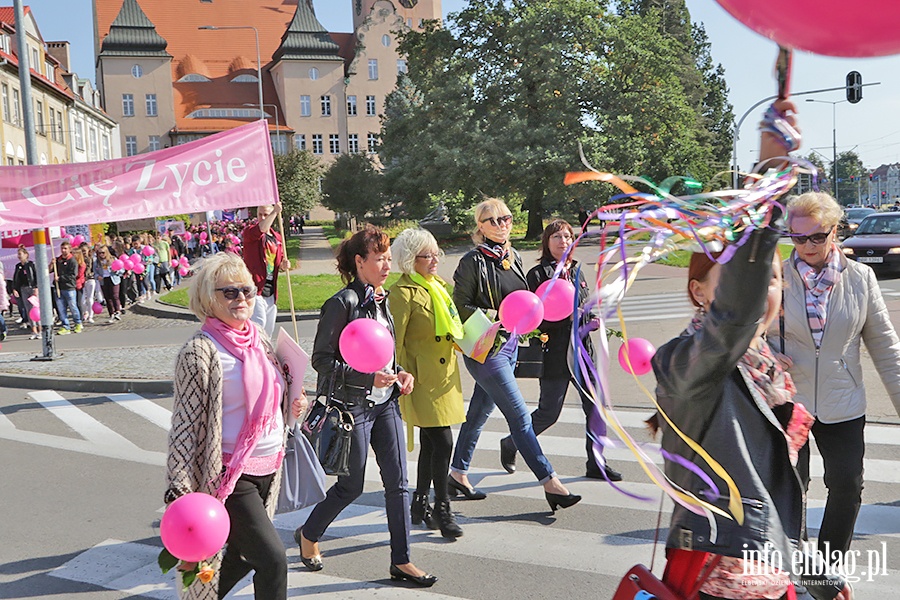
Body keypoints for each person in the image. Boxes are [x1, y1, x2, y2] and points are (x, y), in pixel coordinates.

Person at [652, 100, 850, 600]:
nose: (767, 290)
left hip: (766, 566)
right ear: (700, 291)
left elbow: (770, 500)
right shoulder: (690, 362)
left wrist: (818, 580)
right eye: (754, 278)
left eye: (776, 280)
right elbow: (734, 317)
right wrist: (769, 179)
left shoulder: (770, 371)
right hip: (721, 571)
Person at [295, 225, 437, 587]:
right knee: (351, 487)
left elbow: (382, 354)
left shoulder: (382, 300)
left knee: (399, 484)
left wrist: (401, 374)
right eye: (379, 259)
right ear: (359, 262)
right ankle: (309, 534)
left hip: (385, 404)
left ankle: (401, 561)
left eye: (389, 258)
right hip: (353, 407)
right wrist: (364, 378)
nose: (387, 265)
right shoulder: (341, 304)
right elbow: (322, 360)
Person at [165, 252, 306, 600]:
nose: (241, 298)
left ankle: (201, 598)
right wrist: (178, 488)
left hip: (269, 468)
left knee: (244, 556)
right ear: (208, 298)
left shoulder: (258, 336)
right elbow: (185, 423)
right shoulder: (199, 351)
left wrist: (293, 402)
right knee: (273, 560)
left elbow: (271, 394)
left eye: (247, 290)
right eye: (229, 292)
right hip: (228, 474)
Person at [769, 191, 900, 558]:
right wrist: (766, 353)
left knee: (847, 485)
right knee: (791, 487)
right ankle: (793, 559)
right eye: (798, 237)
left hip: (843, 399)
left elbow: (886, 348)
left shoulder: (861, 278)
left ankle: (827, 568)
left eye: (817, 236)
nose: (807, 245)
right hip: (789, 401)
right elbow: (747, 332)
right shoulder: (775, 276)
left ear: (835, 231)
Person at [450, 199, 580, 510]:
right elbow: (460, 305)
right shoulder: (473, 262)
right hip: (485, 349)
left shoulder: (515, 256)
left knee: (479, 414)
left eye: (505, 218)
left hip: (510, 348)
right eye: (492, 220)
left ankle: (456, 473)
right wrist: (500, 315)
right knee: (520, 417)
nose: (501, 224)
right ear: (480, 226)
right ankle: (551, 483)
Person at [498, 219, 622, 482]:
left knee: (595, 410)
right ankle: (511, 442)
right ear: (547, 241)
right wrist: (569, 318)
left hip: (583, 352)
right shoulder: (538, 275)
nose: (563, 241)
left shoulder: (577, 270)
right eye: (557, 237)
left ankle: (596, 463)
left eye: (567, 236)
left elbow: (583, 304)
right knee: (548, 413)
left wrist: (590, 317)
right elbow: (533, 316)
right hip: (554, 353)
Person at [390, 228, 465, 539]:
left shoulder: (440, 286)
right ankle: (442, 507)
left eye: (436, 254)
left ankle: (419, 504)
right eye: (427, 255)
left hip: (445, 376)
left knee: (433, 443)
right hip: (419, 379)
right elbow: (396, 341)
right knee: (443, 442)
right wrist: (401, 375)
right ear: (410, 260)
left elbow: (453, 324)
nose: (434, 260)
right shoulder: (402, 292)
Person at [242, 203, 290, 338]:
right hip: (254, 288)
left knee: (268, 329)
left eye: (266, 214)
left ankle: (264, 355)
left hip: (270, 289)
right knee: (259, 324)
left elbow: (277, 262)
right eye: (260, 214)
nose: (262, 217)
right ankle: (255, 353)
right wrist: (275, 212)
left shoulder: (277, 238)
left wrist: (283, 265)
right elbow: (262, 229)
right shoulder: (250, 232)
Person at [54, 241, 83, 335]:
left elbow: (73, 275)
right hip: (59, 288)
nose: (63, 250)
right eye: (62, 248)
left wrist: (60, 278)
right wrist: (52, 264)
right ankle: (65, 326)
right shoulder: (59, 260)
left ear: (69, 249)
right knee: (61, 308)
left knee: (73, 307)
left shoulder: (73, 261)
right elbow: (51, 270)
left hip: (69, 287)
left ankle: (78, 323)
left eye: (65, 248)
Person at [12, 245, 38, 337]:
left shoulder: (31, 264)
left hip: (32, 288)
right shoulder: (18, 266)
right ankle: (34, 330)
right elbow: (16, 279)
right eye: (18, 254)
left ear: (26, 255)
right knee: (28, 310)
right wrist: (15, 288)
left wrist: (36, 287)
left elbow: (35, 276)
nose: (19, 256)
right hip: (23, 289)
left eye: (20, 254)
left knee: (36, 308)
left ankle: (41, 329)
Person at [94, 246, 123, 322]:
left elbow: (121, 270)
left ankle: (117, 311)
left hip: (113, 279)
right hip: (104, 280)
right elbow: (94, 272)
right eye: (99, 253)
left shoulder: (113, 259)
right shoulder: (97, 262)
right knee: (107, 297)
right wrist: (98, 276)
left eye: (103, 253)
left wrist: (115, 271)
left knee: (115, 295)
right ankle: (111, 313)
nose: (101, 254)